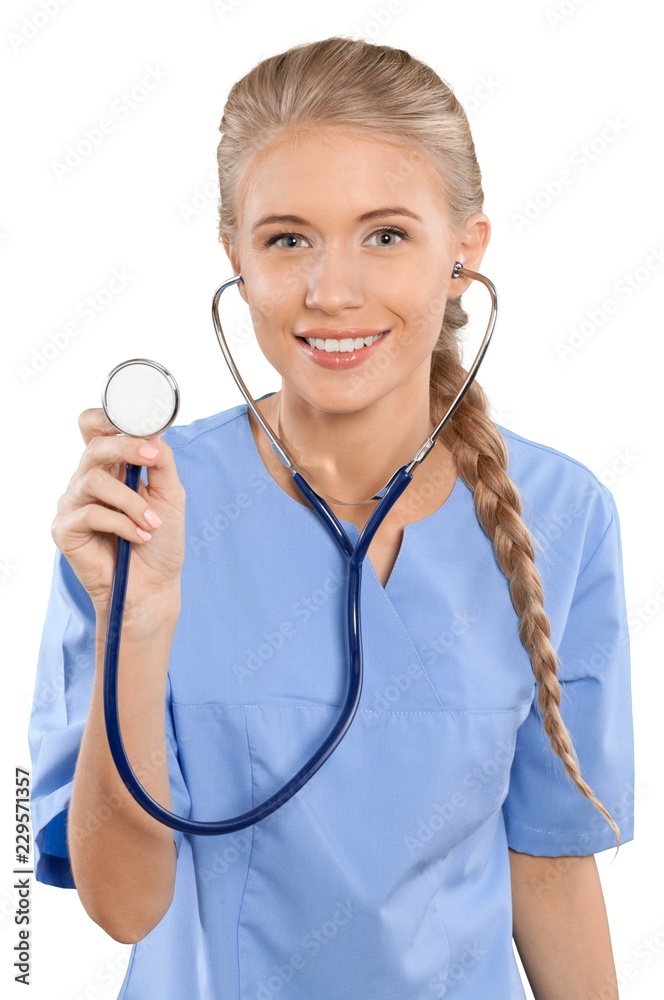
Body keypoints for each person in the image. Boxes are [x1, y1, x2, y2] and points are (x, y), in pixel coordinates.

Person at [28, 36, 635, 999]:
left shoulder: (564, 515)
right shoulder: (138, 511)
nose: (332, 290)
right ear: (236, 255)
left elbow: (551, 868)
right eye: (288, 239)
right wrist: (135, 622)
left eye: (386, 234)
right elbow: (123, 908)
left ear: (463, 256)